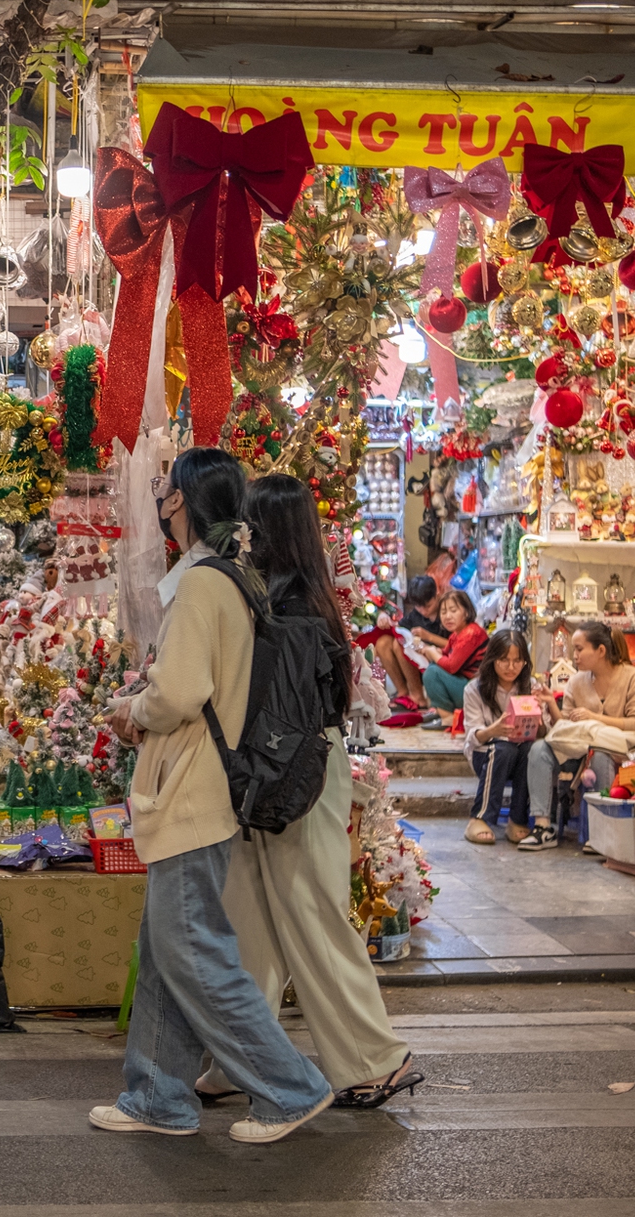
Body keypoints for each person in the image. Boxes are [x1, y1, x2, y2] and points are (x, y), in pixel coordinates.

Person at [91, 448, 334, 1146]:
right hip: (199, 790)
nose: (159, 502)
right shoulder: (234, 575)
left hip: (194, 789)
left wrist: (133, 708)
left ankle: (289, 1088)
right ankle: (157, 1094)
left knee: (195, 952)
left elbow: (181, 692)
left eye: (165, 491)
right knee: (170, 949)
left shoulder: (203, 581)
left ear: (182, 502)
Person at [197, 472, 421, 1112]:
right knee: (256, 922)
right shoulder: (303, 602)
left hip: (291, 775)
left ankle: (377, 1058)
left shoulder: (279, 610)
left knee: (310, 915)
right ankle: (240, 1061)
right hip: (294, 772)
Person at [521, 620, 635, 852]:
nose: (575, 656)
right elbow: (565, 730)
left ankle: (600, 832)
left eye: (580, 649)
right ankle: (543, 827)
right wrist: (551, 702)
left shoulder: (634, 678)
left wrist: (594, 718)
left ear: (600, 651)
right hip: (577, 750)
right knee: (539, 749)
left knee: (600, 755)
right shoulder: (576, 681)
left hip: (621, 754)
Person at [461, 629, 538, 845]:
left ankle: (518, 819)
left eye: (517, 661)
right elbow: (473, 737)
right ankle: (480, 817)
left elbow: (542, 732)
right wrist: (493, 730)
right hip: (485, 754)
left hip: (519, 754)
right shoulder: (475, 689)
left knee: (530, 750)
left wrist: (542, 714)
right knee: (503, 749)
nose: (511, 667)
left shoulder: (531, 687)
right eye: (504, 660)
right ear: (493, 659)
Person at [417, 589, 486, 727]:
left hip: (477, 692)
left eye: (453, 611)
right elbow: (446, 654)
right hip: (468, 685)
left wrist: (433, 653)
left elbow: (451, 666)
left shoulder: (471, 633)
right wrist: (433, 652)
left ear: (466, 612)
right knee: (432, 667)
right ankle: (440, 711)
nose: (448, 616)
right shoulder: (457, 634)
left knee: (432, 673)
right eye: (443, 612)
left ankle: (447, 717)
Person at [373, 574, 443, 708]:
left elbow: (455, 643)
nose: (423, 611)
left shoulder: (445, 612)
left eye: (428, 606)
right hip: (415, 665)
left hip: (437, 664)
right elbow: (399, 630)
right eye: (418, 607)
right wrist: (384, 617)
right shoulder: (415, 616)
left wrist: (429, 637)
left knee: (399, 644)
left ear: (437, 594)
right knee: (384, 642)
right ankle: (403, 693)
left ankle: (418, 697)